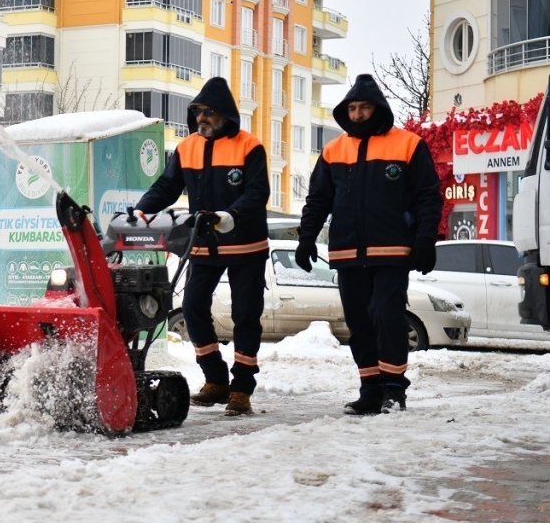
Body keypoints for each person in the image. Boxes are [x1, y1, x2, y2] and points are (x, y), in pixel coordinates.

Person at [295, 74, 443, 415]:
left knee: (385, 314)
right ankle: (370, 390)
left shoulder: (407, 144)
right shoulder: (334, 150)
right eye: (353, 107)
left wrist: (425, 239)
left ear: (378, 109)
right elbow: (318, 199)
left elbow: (427, 196)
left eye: (364, 107)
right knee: (359, 323)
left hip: (392, 251)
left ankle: (393, 390)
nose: (358, 113)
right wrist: (305, 239)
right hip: (347, 253)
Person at [136, 77, 270, 417]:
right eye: (197, 112)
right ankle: (215, 379)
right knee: (192, 307)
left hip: (245, 246)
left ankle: (241, 389)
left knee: (245, 316)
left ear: (224, 114)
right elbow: (168, 186)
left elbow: (257, 192)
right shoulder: (187, 148)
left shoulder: (249, 146)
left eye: (208, 113)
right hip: (203, 245)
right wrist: (142, 208)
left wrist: (231, 215)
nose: (201, 119)